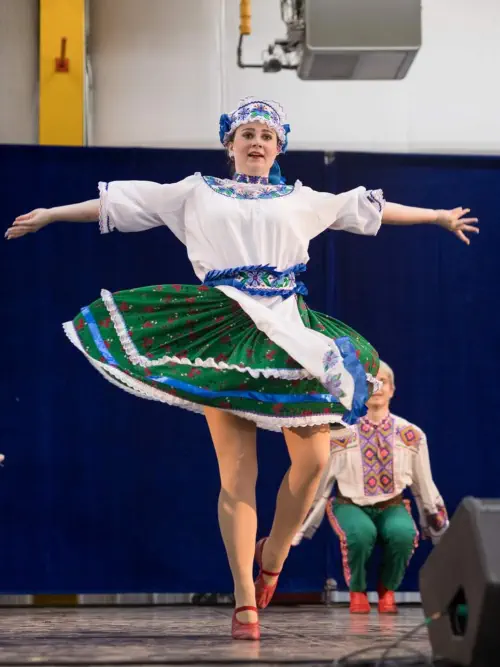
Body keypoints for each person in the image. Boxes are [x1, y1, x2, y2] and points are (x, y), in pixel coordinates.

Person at [6, 97, 477, 640]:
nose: (257, 142)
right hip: (225, 331)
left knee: (313, 462)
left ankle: (273, 554)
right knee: (236, 473)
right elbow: (125, 201)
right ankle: (245, 598)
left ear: (279, 147)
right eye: (247, 134)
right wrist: (52, 213)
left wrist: (437, 217)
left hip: (290, 334)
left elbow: (368, 208)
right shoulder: (196, 191)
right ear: (229, 144)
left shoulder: (302, 198)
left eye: (267, 135)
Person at [293, 361, 449, 615]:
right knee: (360, 534)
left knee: (402, 534)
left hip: (391, 503)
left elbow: (424, 482)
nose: (377, 388)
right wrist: (299, 523)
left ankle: (387, 590)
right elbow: (321, 484)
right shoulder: (340, 433)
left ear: (392, 389)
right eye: (369, 383)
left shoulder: (411, 434)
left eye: (382, 382)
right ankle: (357, 591)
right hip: (350, 504)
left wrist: (436, 521)